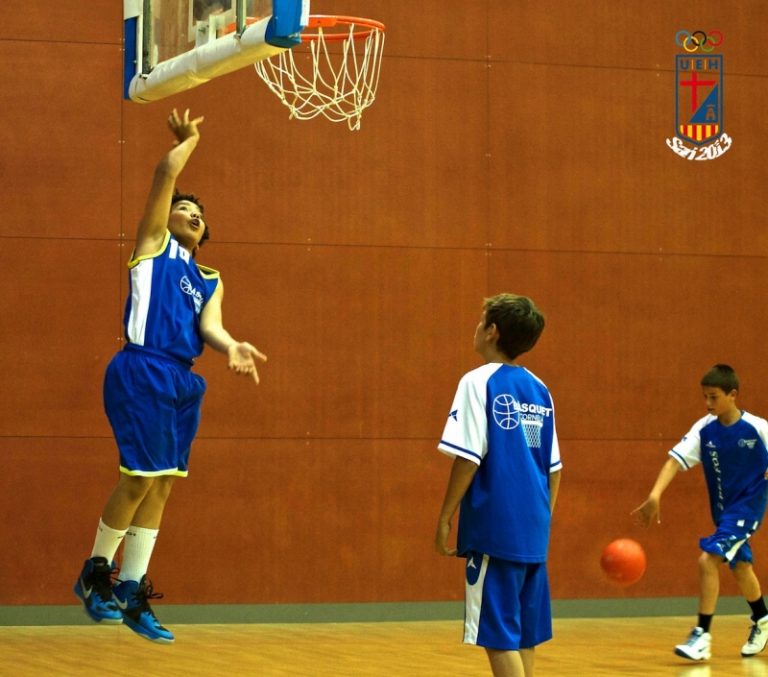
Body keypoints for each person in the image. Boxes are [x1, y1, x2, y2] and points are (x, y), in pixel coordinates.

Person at [73, 109, 267, 644]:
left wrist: (232, 346)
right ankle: (95, 572)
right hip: (142, 367)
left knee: (162, 483)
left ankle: (131, 589)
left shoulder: (209, 278)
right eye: (183, 207)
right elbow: (164, 174)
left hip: (183, 380)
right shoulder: (153, 245)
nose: (190, 213)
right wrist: (190, 140)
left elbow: (211, 327)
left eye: (198, 213)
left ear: (205, 235)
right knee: (139, 477)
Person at [434, 293, 562, 677]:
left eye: (480, 321)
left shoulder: (477, 382)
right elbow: (554, 469)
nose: (476, 328)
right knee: (523, 634)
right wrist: (541, 521)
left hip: (494, 528)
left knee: (498, 636)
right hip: (533, 530)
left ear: (492, 331)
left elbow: (468, 458)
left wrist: (445, 517)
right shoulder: (540, 389)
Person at [633, 364, 768, 661]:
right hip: (723, 512)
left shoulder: (758, 428)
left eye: (714, 397)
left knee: (708, 560)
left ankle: (701, 635)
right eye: (705, 397)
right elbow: (674, 461)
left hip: (748, 508)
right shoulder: (704, 429)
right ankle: (762, 619)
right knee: (741, 567)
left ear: (733, 395)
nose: (708, 403)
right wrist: (655, 495)